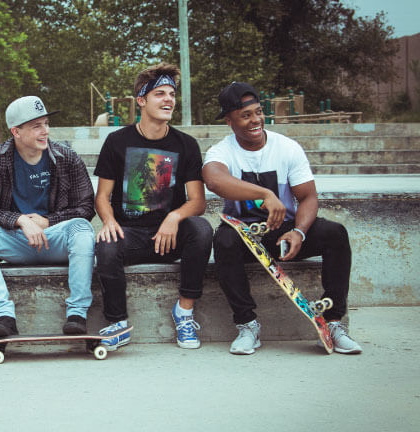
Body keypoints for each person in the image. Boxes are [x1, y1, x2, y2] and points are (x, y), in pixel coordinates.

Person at [203, 81, 362, 355]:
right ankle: (247, 325)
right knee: (224, 240)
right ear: (229, 121)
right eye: (245, 115)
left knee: (335, 234)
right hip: (243, 234)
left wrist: (299, 232)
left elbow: (309, 197)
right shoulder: (222, 151)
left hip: (284, 232)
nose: (255, 120)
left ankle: (334, 321)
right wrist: (265, 193)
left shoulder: (286, 148)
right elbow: (215, 180)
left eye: (258, 112)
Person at [94, 63, 213, 351]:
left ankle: (184, 312)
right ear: (141, 100)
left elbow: (197, 201)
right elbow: (101, 197)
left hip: (170, 235)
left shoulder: (186, 145)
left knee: (201, 229)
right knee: (106, 244)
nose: (168, 100)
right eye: (160, 93)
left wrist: (175, 216)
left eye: (171, 93)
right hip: (132, 234)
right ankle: (119, 323)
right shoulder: (116, 141)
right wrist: (109, 221)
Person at [0, 96, 95, 337]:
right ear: (16, 131)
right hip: (16, 240)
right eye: (36, 126)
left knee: (81, 229)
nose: (45, 131)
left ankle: (77, 315)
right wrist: (20, 220)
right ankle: (4, 316)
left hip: (54, 239)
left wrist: (48, 221)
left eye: (46, 124)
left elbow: (86, 206)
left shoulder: (67, 157)